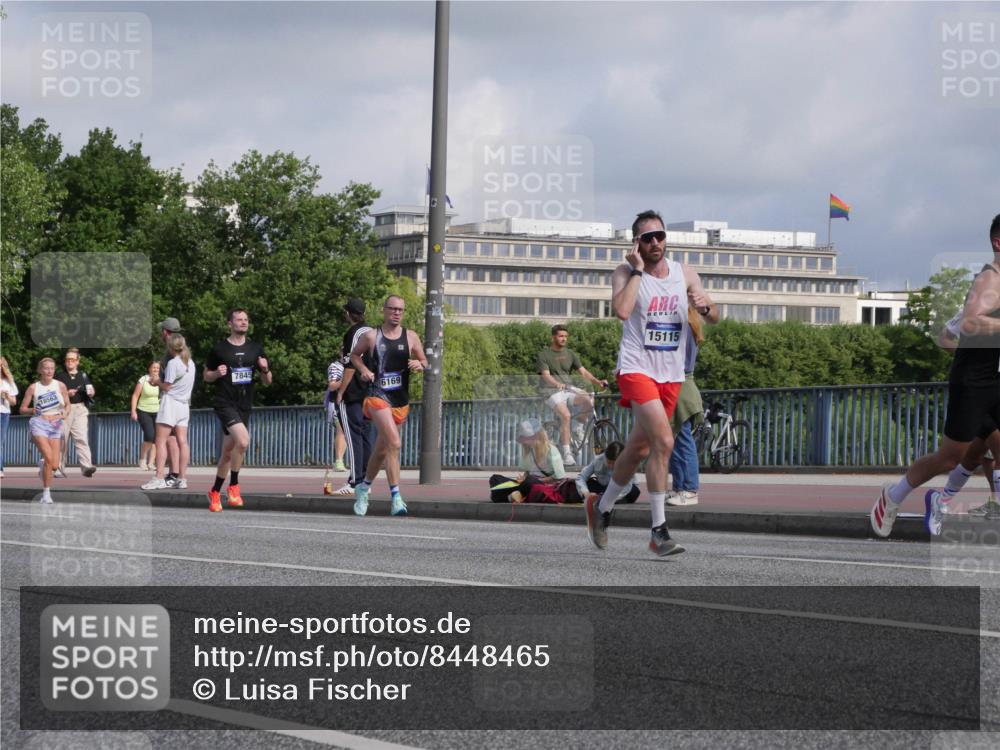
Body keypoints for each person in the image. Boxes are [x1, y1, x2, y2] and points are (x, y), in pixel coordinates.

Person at [585, 209, 719, 556]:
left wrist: (705, 308)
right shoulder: (625, 272)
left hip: (671, 374)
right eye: (648, 238)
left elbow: (716, 315)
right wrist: (638, 272)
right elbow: (623, 311)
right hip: (636, 369)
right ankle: (658, 531)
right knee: (663, 441)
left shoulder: (684, 272)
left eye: (660, 235)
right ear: (637, 243)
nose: (656, 242)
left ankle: (601, 508)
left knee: (639, 450)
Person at [872, 214, 1000, 537]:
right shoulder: (990, 280)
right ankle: (894, 496)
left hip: (992, 379)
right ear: (998, 243)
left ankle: (962, 502)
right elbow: (969, 323)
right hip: (974, 381)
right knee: (952, 456)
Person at [350, 295, 427, 517]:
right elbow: (354, 356)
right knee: (395, 442)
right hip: (376, 395)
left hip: (400, 400)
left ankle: (363, 488)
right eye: (392, 309)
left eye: (400, 310)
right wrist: (364, 370)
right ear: (384, 310)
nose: (396, 313)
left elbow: (425, 361)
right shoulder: (372, 336)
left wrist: (419, 364)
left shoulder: (411, 337)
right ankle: (396, 498)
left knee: (382, 450)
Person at [204, 309, 272, 512]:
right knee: (243, 441)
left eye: (245, 320)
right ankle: (233, 486)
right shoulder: (219, 349)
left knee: (227, 452)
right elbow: (206, 375)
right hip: (225, 403)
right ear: (229, 323)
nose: (243, 323)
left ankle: (215, 491)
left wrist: (265, 369)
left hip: (244, 405)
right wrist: (216, 373)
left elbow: (268, 382)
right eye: (239, 320)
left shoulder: (255, 349)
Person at [934, 308, 1000, 518]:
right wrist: (966, 355)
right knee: (994, 449)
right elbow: (944, 337)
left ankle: (942, 500)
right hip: (979, 388)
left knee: (973, 456)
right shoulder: (974, 311)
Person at [537, 324, 608, 466]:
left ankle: (577, 426)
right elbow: (546, 376)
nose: (564, 339)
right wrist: (556, 383)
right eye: (561, 336)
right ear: (553, 337)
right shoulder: (544, 355)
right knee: (566, 415)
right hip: (550, 391)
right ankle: (567, 453)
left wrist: (597, 381)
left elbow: (584, 372)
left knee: (588, 400)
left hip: (567, 389)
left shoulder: (571, 354)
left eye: (565, 337)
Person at [667, 306, 710, 507]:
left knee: (681, 441)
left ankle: (689, 489)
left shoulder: (680, 328)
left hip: (678, 386)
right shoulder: (691, 327)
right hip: (684, 387)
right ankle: (681, 488)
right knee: (676, 440)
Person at [142, 334, 195, 490]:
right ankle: (182, 478)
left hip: (170, 403)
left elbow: (167, 386)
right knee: (183, 441)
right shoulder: (190, 363)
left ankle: (158, 477)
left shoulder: (173, 363)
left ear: (170, 347)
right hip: (184, 405)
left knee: (160, 440)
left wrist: (156, 381)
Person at [335, 299, 374, 496]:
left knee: (353, 437)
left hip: (353, 392)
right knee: (366, 436)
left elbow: (350, 364)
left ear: (349, 314)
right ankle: (366, 480)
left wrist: (341, 391)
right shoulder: (371, 332)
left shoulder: (353, 333)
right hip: (370, 392)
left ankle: (355, 481)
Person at [19, 357, 69, 504]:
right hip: (39, 423)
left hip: (55, 424)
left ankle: (44, 468)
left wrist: (65, 412)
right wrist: (31, 409)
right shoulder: (33, 387)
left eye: (52, 368)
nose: (49, 371)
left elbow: (67, 405)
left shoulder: (60, 386)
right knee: (48, 457)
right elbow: (22, 409)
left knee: (54, 465)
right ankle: (46, 494)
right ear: (40, 370)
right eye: (46, 368)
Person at [55, 348, 97, 477]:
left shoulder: (83, 375)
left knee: (82, 438)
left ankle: (86, 467)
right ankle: (58, 468)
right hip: (64, 409)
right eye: (67, 359)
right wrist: (66, 394)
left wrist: (91, 392)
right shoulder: (59, 377)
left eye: (72, 359)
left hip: (80, 409)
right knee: (62, 440)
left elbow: (91, 390)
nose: (69, 362)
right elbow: (54, 394)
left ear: (78, 361)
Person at [157, 317, 183, 487]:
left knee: (169, 438)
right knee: (179, 438)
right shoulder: (184, 349)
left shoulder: (169, 355)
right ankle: (178, 475)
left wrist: (156, 381)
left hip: (171, 400)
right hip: (182, 400)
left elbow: (167, 383)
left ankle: (172, 474)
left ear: (165, 332)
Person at [576, 440, 640, 505]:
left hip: (622, 490)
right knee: (582, 486)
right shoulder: (598, 460)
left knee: (634, 491)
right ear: (605, 456)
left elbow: (627, 487)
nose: (611, 466)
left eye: (615, 463)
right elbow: (581, 477)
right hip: (604, 488)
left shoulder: (627, 464)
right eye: (609, 462)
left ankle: (607, 500)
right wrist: (586, 493)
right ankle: (598, 498)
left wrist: (607, 498)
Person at [130, 361, 161, 471]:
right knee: (149, 435)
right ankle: (142, 460)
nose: (156, 370)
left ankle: (151, 463)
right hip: (143, 410)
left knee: (157, 439)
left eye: (158, 368)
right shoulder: (143, 380)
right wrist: (133, 411)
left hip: (158, 411)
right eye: (154, 367)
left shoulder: (161, 381)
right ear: (149, 369)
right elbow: (135, 396)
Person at [326, 351, 348, 473]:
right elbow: (332, 386)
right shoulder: (335, 366)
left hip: (352, 403)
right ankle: (339, 461)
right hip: (337, 403)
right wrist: (347, 377)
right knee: (341, 429)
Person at [0, 357, 18, 479]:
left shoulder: (9, 382)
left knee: (0, 442)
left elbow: (14, 402)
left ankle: (0, 469)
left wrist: (6, 396)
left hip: (4, 413)